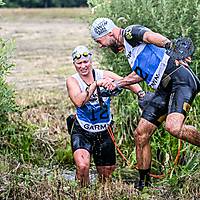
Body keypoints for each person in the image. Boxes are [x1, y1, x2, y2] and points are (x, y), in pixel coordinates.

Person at [90, 18, 200, 190]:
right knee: (141, 134)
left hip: (180, 79)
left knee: (173, 127)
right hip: (164, 88)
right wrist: (117, 84)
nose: (101, 45)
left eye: (100, 41)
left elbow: (149, 36)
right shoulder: (129, 50)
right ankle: (143, 185)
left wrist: (170, 45)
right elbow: (141, 73)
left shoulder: (129, 33)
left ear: (109, 33)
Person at [66, 45, 146, 186]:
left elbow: (127, 81)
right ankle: (83, 193)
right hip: (82, 131)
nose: (83, 66)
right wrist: (96, 85)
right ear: (74, 64)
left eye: (86, 62)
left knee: (106, 174)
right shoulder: (72, 80)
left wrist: (142, 95)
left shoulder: (104, 74)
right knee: (83, 166)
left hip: (104, 131)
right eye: (79, 63)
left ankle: (102, 193)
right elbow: (79, 101)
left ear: (91, 61)